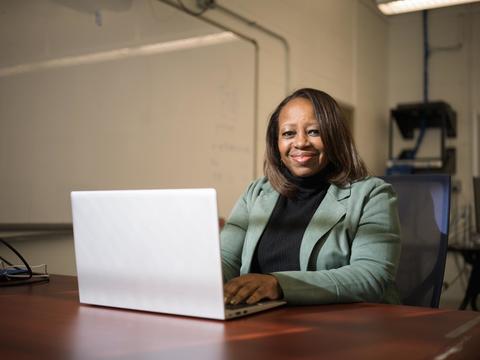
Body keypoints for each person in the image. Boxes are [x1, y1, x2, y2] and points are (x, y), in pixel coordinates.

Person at [221, 88, 401, 306]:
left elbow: (371, 277)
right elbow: (226, 259)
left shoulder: (372, 195)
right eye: (288, 133)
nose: (301, 142)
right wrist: (204, 279)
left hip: (342, 328)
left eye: (314, 132)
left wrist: (278, 284)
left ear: (334, 137)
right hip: (260, 321)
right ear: (276, 143)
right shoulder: (256, 193)